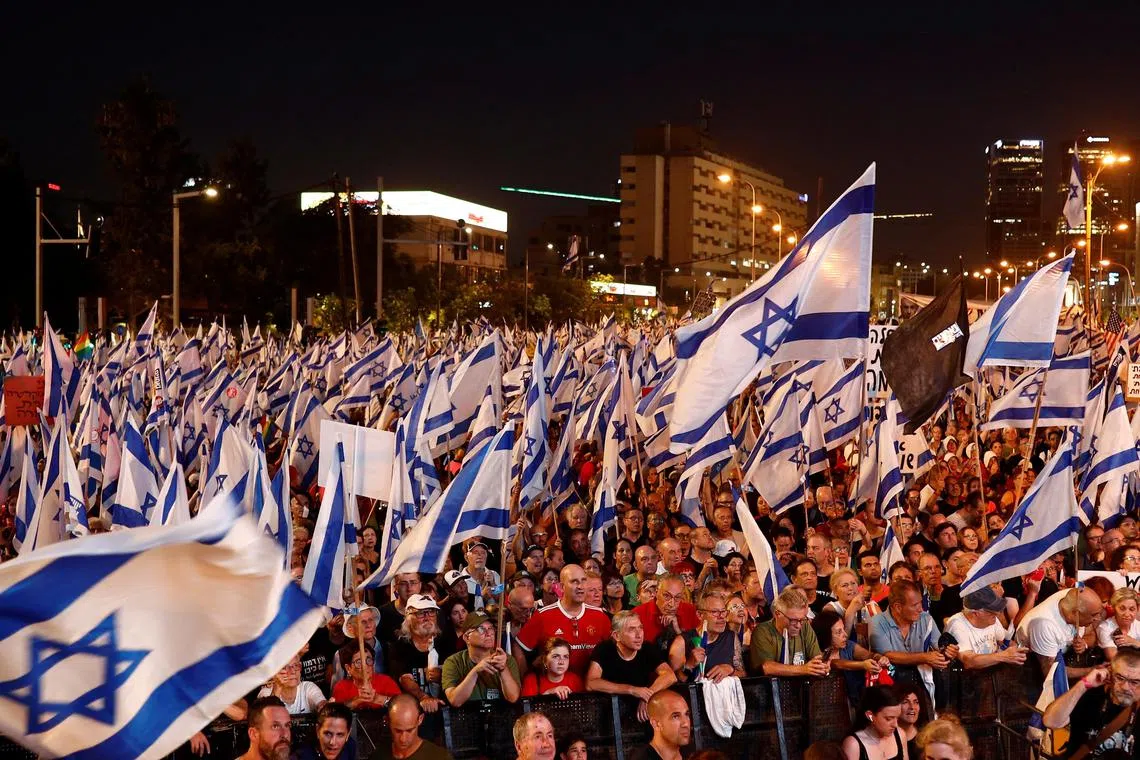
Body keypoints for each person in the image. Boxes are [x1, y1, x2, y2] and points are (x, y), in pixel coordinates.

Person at [516, 565, 612, 678]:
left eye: (583, 581)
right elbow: (518, 647)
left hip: (591, 686)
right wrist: (525, 678)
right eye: (574, 582)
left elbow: (613, 652)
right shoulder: (543, 615)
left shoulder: (600, 616)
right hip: (555, 686)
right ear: (562, 587)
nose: (580, 586)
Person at [586, 610, 677, 721]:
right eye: (632, 629)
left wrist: (647, 696)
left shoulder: (647, 648)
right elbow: (591, 683)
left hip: (640, 714)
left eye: (640, 628)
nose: (639, 635)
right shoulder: (604, 649)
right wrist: (631, 689)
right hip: (610, 715)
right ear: (616, 636)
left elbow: (670, 675)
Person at [1016, 586, 1104, 681]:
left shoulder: (1076, 596)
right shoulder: (1044, 625)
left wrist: (1084, 643)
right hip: (1031, 666)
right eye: (1094, 615)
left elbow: (1092, 634)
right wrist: (1090, 671)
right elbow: (1052, 673)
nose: (1098, 619)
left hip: (1060, 654)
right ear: (1076, 614)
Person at [869, 580, 956, 672]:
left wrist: (947, 652)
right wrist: (924, 657)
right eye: (915, 605)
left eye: (920, 602)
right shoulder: (877, 622)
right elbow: (888, 656)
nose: (920, 609)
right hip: (890, 677)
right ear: (898, 607)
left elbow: (939, 647)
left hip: (923, 677)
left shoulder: (926, 619)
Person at [441, 612, 521, 706]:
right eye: (481, 629)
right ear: (466, 637)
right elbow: (455, 701)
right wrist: (475, 671)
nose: (488, 633)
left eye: (490, 628)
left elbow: (513, 698)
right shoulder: (453, 662)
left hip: (499, 713)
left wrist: (503, 670)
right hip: (469, 714)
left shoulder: (506, 659)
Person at [750, 586, 828, 677]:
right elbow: (767, 667)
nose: (798, 625)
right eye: (793, 620)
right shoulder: (763, 631)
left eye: (802, 619)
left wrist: (822, 666)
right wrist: (804, 669)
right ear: (777, 614)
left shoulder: (805, 626)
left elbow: (816, 658)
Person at [388, 594, 447, 713]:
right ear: (409, 618)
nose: (427, 618)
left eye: (431, 612)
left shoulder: (446, 642)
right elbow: (405, 679)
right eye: (421, 613)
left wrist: (442, 676)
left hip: (445, 707)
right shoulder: (399, 647)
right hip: (413, 709)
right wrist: (423, 697)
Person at [943, 587, 1027, 670]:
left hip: (993, 672)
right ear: (975, 613)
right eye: (991, 611)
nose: (997, 613)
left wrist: (1014, 649)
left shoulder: (991, 619)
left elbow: (1004, 641)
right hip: (970, 676)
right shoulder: (957, 626)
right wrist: (1004, 656)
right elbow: (968, 661)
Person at [681, 589, 746, 682]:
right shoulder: (682, 641)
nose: (721, 616)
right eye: (715, 612)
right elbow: (677, 681)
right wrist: (689, 665)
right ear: (700, 615)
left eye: (723, 611)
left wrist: (730, 670)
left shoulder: (731, 637)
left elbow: (743, 674)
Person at [633, 573, 699, 659]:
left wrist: (678, 632)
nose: (672, 604)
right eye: (666, 596)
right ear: (656, 592)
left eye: (677, 597)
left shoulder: (690, 611)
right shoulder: (637, 614)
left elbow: (698, 650)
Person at [370, 694, 453, 760]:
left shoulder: (439, 757)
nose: (403, 739)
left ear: (420, 719)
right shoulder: (378, 756)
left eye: (409, 730)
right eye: (398, 731)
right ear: (387, 721)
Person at [841, 685, 908, 760]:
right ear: (870, 716)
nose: (895, 725)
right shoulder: (853, 745)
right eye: (889, 719)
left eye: (897, 718)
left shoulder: (900, 735)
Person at [331, 642, 401, 710]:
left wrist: (377, 698)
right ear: (348, 668)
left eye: (369, 660)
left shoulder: (386, 681)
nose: (365, 666)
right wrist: (357, 700)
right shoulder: (342, 687)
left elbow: (402, 706)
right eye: (358, 662)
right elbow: (336, 712)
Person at [630, 690, 691, 760]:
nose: (686, 724)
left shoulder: (692, 753)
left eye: (687, 714)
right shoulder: (642, 757)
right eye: (675, 716)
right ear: (656, 724)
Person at [258, 655, 327, 714]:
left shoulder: (307, 687)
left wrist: (324, 706)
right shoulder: (266, 693)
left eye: (296, 665)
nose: (293, 671)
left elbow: (321, 703)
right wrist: (278, 687)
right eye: (285, 667)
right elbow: (266, 717)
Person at [1098, 587, 1140, 661]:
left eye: (1132, 609)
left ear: (1137, 609)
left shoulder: (1138, 625)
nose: (1127, 614)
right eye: (1122, 609)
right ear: (1113, 608)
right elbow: (1114, 657)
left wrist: (1134, 642)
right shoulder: (1105, 627)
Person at [379, 573, 423, 641]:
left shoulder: (432, 612)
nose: (409, 588)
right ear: (396, 587)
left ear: (420, 585)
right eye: (403, 584)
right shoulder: (382, 613)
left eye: (413, 582)